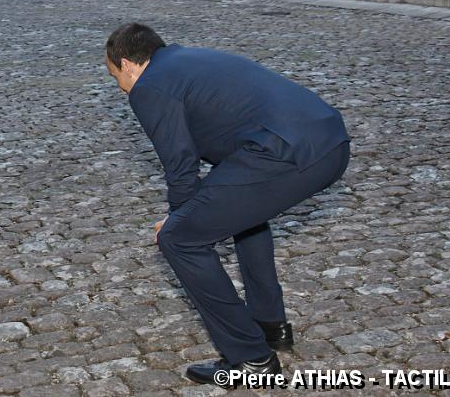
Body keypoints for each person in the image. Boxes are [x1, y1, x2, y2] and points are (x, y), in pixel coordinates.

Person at [105, 23, 350, 386]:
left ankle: (250, 359)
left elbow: (180, 165)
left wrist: (179, 219)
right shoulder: (190, 59)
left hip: (285, 152)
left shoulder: (150, 85)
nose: (121, 87)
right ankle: (270, 326)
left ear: (126, 63)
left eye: (115, 78)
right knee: (242, 215)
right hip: (330, 140)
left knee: (179, 240)